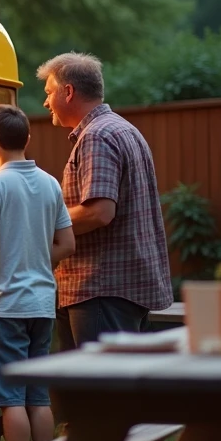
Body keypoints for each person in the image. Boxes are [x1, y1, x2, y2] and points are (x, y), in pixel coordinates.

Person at [37, 52, 172, 349]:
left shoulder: (96, 136)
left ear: (68, 91)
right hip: (117, 289)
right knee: (111, 391)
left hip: (100, 289)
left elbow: (99, 213)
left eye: (49, 92)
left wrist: (38, 223)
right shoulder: (122, 129)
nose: (45, 102)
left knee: (96, 392)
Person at [0, 105, 75, 441]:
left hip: (5, 305)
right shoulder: (49, 183)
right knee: (37, 396)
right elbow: (67, 244)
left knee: (11, 398)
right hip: (42, 304)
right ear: (27, 138)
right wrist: (39, 258)